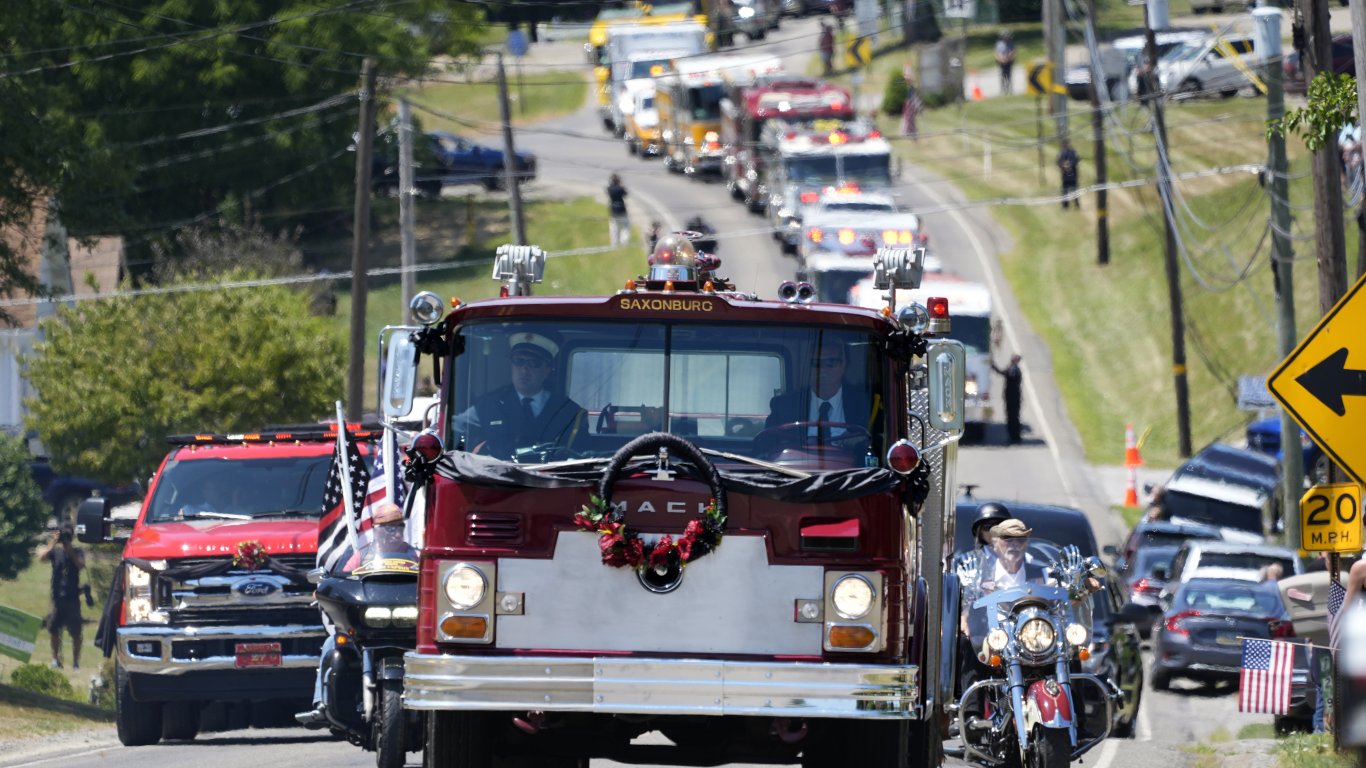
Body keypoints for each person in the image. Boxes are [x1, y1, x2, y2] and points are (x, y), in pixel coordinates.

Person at [298, 503, 416, 729]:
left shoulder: (414, 555)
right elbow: (340, 577)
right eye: (387, 528)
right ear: (376, 529)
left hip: (406, 626)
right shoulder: (361, 555)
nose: (394, 533)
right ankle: (321, 703)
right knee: (332, 643)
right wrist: (326, 587)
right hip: (367, 627)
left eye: (398, 527)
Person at [452, 331, 587, 459]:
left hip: (551, 481)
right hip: (497, 480)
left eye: (533, 363)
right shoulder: (489, 405)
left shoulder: (569, 413)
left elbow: (582, 458)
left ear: (547, 370)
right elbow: (454, 427)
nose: (524, 369)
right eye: (518, 361)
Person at [765, 342, 872, 441]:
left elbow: (878, 446)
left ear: (843, 365)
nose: (822, 369)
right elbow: (764, 447)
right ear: (809, 367)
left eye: (830, 362)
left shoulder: (865, 404)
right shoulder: (783, 406)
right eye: (816, 363)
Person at [40, 523, 89, 670]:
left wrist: (70, 551)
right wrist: (53, 541)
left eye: (67, 535)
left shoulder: (78, 551)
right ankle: (55, 660)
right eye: (63, 535)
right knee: (54, 629)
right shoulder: (55, 552)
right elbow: (41, 557)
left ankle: (75, 662)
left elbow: (81, 565)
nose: (65, 538)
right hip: (57, 597)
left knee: (76, 632)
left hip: (72, 598)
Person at [991, 353, 1023, 445]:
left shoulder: (1015, 370)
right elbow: (1003, 372)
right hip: (1010, 398)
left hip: (1014, 399)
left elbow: (1007, 374)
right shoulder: (1012, 368)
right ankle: (1013, 436)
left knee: (1013, 418)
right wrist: (993, 366)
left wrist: (994, 366)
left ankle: (1015, 437)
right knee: (1011, 418)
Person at [606, 173, 630, 245]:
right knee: (625, 226)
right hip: (622, 209)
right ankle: (624, 241)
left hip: (613, 210)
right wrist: (621, 185)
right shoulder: (620, 188)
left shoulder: (610, 188)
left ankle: (614, 243)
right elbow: (626, 194)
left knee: (614, 227)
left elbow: (607, 191)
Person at [1057, 140, 1081, 209]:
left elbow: (1077, 160)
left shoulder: (1073, 153)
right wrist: (1063, 165)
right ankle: (1065, 205)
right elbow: (1058, 162)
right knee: (1065, 192)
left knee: (1075, 191)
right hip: (1065, 176)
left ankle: (1076, 205)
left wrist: (1069, 164)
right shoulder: (1061, 154)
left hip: (1073, 176)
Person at [901, 73, 923, 140]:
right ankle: (909, 133)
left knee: (911, 121)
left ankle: (913, 134)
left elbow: (914, 98)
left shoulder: (911, 88)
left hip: (911, 107)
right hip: (908, 107)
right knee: (908, 121)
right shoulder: (908, 88)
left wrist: (916, 107)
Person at [995, 31, 1017, 95]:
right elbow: (997, 53)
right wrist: (1001, 59)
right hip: (1001, 62)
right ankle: (1003, 89)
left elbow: (1013, 51)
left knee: (1009, 75)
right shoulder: (999, 44)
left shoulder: (1011, 43)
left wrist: (1009, 58)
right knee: (1002, 75)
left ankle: (1010, 89)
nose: (1006, 38)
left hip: (1009, 62)